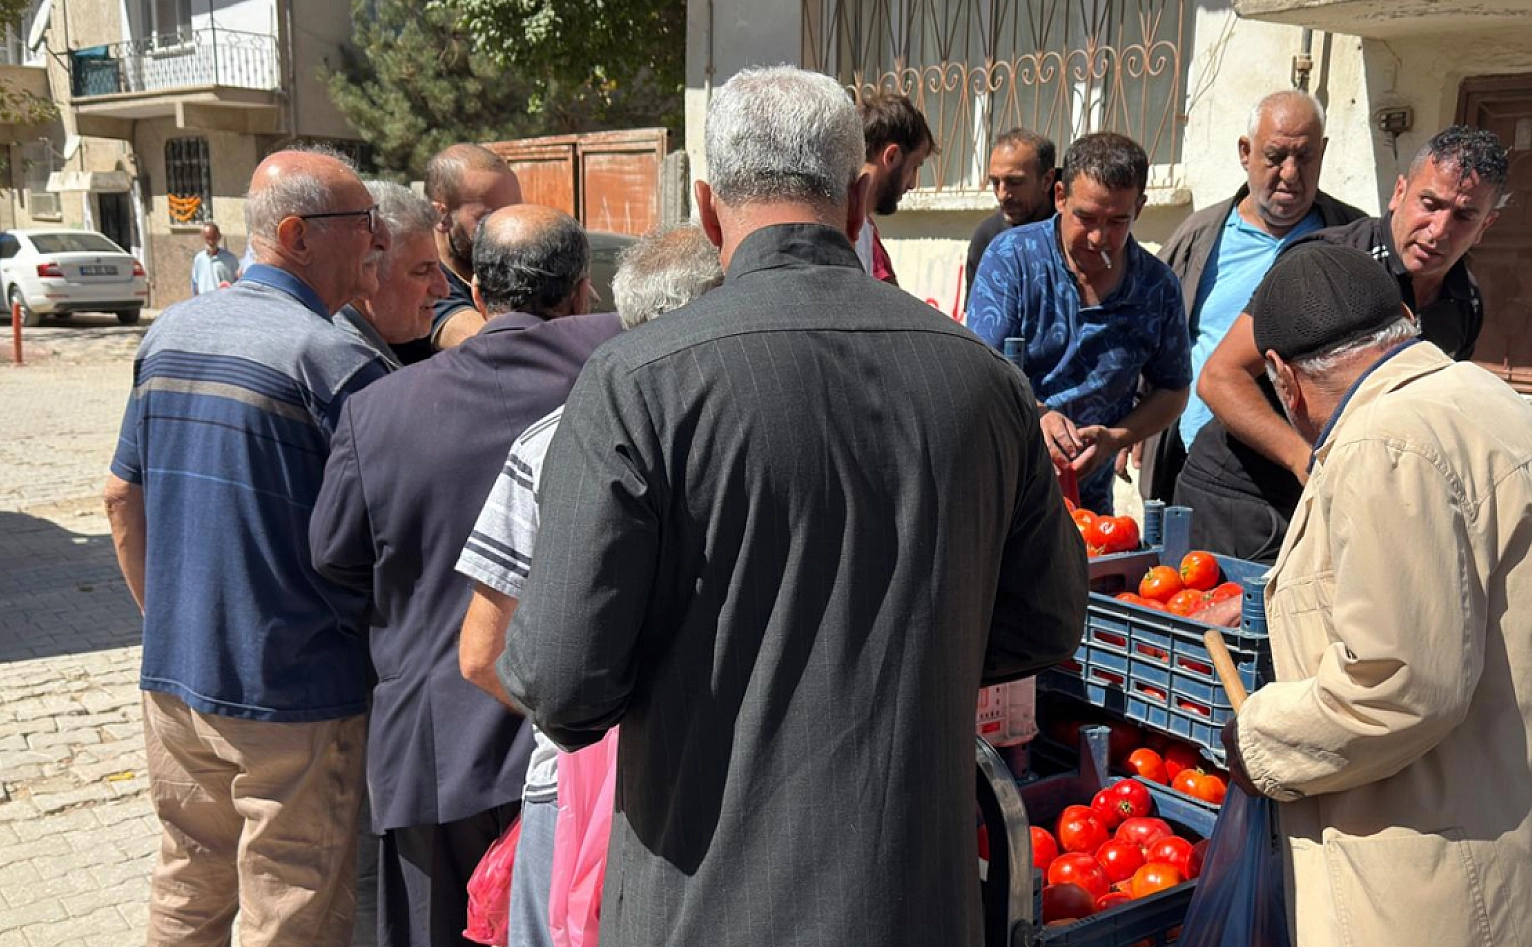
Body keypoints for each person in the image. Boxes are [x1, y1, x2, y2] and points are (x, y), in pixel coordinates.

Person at [496, 65, 1086, 947]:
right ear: (858, 201)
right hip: (912, 900)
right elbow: (1045, 621)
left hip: (704, 904)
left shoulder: (640, 382)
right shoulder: (983, 379)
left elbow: (563, 685)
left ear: (704, 207)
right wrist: (908, 649)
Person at [1217, 241, 1532, 947]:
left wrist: (1260, 740)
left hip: (1452, 886)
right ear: (1405, 320)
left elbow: (1399, 682)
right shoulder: (1494, 402)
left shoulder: (1386, 441)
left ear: (1283, 377)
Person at [310, 204, 622, 947]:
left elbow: (333, 556)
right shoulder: (630, 371)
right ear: (582, 291)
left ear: (476, 294)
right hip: (589, 746)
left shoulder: (379, 410)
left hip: (435, 750)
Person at [102, 150, 391, 947]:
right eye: (364, 223)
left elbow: (121, 496)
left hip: (175, 683)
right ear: (297, 235)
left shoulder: (171, 331)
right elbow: (386, 539)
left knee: (187, 886)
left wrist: (170, 622)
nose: (379, 239)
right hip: (294, 696)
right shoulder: (337, 363)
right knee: (290, 910)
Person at [454, 223, 723, 947]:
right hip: (685, 794)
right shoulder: (749, 442)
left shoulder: (548, 440)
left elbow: (484, 654)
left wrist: (589, 729)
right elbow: (483, 651)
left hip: (584, 788)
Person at [1177, 126, 1506, 560]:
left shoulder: (1465, 303)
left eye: (1463, 216)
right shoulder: (1326, 265)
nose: (1439, 229)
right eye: (1429, 204)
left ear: (1486, 226)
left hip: (1350, 507)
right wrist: (1306, 460)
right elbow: (1220, 377)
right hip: (1240, 498)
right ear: (1400, 192)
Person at [1139, 91, 1364, 501]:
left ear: (1324, 152)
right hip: (1188, 464)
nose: (1291, 174)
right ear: (1246, 152)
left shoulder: (1350, 239)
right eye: (1276, 157)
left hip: (1289, 476)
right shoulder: (1199, 237)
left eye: (1305, 157)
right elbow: (1155, 332)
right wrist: (1140, 417)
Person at [968, 132, 1192, 515]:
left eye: (1117, 221)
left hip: (1088, 508)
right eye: (1084, 217)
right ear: (1059, 197)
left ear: (1139, 208)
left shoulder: (1157, 288)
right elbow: (977, 370)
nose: (1098, 237)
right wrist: (1037, 415)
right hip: (999, 492)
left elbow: (1173, 390)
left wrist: (1116, 438)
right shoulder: (1012, 259)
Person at [388, 143, 524, 363]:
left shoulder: (503, 268)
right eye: (488, 218)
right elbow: (497, 345)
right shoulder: (425, 281)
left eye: (515, 212)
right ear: (440, 215)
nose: (508, 228)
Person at [333, 180, 451, 370]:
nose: (443, 289)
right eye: (422, 271)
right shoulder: (350, 368)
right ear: (366, 272)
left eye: (439, 268)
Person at [964, 129, 1057, 305]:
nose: (1002, 195)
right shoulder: (987, 238)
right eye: (995, 182)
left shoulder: (1074, 232)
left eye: (1014, 182)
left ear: (1047, 180)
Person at [854, 89, 936, 284]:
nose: (912, 184)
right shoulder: (831, 221)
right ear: (892, 156)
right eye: (914, 166)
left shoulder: (864, 229)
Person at [189, 222, 240, 294]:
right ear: (203, 237)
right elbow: (195, 284)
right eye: (208, 238)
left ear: (219, 237)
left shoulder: (230, 259)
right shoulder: (199, 259)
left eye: (213, 238)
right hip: (203, 302)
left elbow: (238, 282)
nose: (211, 242)